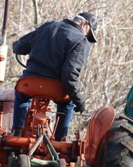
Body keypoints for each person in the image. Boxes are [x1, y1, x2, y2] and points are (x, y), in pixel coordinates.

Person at [11, 11, 98, 140]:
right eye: (89, 32)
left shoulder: (48, 26)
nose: (86, 36)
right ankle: (59, 140)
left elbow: (19, 47)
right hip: (55, 88)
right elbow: (69, 75)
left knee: (21, 97)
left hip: (30, 83)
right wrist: (79, 101)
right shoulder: (81, 41)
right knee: (67, 104)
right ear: (85, 24)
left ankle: (17, 133)